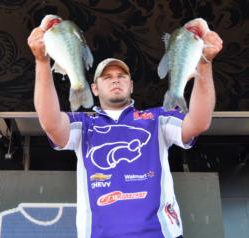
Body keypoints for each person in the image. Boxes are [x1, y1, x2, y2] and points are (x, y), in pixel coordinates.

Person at [27, 19, 223, 238]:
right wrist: (42, 61)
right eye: (107, 77)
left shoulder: (158, 118)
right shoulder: (84, 125)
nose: (115, 80)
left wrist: (205, 64)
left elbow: (199, 122)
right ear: (94, 88)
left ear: (131, 85)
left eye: (122, 76)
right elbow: (50, 123)